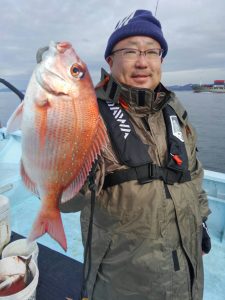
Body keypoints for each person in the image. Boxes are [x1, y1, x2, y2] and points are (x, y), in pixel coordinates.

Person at [60, 9, 211, 300]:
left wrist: (201, 222)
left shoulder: (176, 112)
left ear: (161, 60)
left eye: (152, 51)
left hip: (188, 280)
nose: (142, 62)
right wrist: (75, 165)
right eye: (130, 51)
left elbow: (194, 175)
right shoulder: (87, 115)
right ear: (110, 60)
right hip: (122, 284)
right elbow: (64, 201)